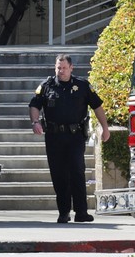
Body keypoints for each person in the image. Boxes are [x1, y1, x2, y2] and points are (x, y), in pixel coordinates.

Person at [29, 54, 110, 223]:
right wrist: (35, 122)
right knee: (59, 175)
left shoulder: (82, 86)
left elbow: (97, 106)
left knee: (77, 172)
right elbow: (34, 105)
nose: (61, 71)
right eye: (58, 68)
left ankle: (81, 212)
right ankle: (63, 212)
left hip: (75, 137)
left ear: (71, 68)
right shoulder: (47, 86)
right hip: (54, 137)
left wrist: (104, 127)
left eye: (64, 68)